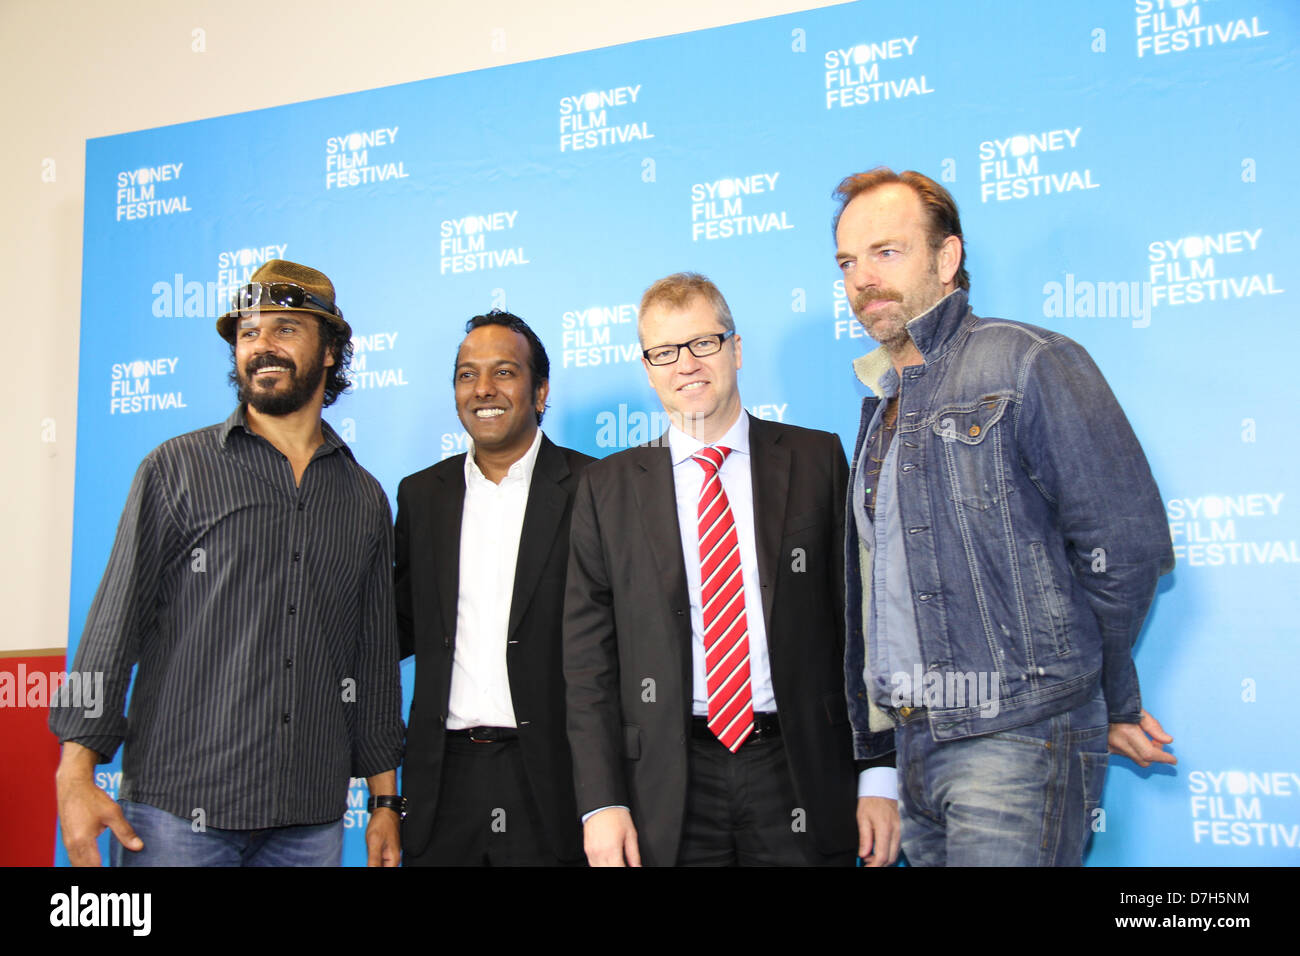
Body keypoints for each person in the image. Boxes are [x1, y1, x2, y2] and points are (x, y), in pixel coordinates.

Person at [833, 167, 1176, 866]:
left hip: (1018, 734)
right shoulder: (883, 403)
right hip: (917, 745)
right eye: (848, 261)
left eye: (887, 252)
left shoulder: (1029, 361)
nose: (864, 277)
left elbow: (1127, 547)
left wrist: (1096, 689)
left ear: (948, 258)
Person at [50, 259, 405, 867]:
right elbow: (113, 626)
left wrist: (383, 805)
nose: (261, 347)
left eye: (286, 329)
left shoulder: (364, 497)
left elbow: (372, 660)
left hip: (309, 819)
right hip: (177, 813)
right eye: (248, 334)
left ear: (329, 351)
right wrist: (75, 771)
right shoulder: (175, 469)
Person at [563, 272, 899, 866]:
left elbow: (863, 623)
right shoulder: (604, 487)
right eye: (664, 352)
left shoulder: (816, 459)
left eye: (703, 343)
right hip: (666, 783)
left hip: (800, 770)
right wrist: (600, 803)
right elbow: (587, 662)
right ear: (647, 368)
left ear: (736, 349)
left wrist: (877, 771)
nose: (685, 364)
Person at [395, 311, 593, 865]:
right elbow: (397, 628)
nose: (483, 389)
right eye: (466, 374)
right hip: (442, 787)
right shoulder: (420, 496)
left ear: (540, 392)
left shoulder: (594, 488)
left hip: (553, 782)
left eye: (504, 372)